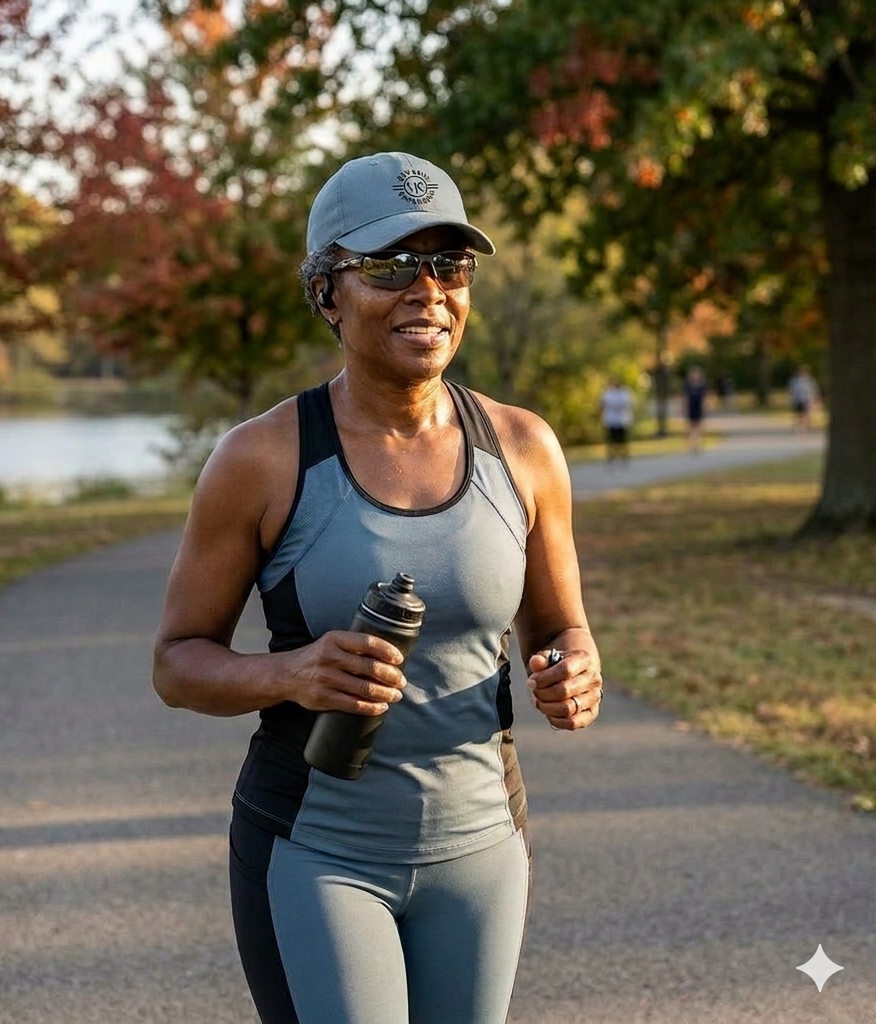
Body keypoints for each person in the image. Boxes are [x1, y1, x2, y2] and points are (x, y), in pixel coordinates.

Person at [152, 151, 603, 1024]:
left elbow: (565, 628)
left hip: (483, 848)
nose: (427, 289)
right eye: (390, 265)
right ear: (327, 292)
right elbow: (176, 663)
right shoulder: (262, 459)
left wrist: (572, 669)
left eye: (449, 263)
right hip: (317, 851)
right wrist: (289, 675)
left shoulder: (525, 448)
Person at [600, 376, 634, 464]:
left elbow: (627, 404)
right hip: (611, 421)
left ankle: (624, 457)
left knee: (623, 441)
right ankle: (611, 457)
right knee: (611, 441)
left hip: (621, 420)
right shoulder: (608, 393)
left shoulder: (624, 393)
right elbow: (602, 405)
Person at [683, 365, 708, 453]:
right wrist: (684, 406)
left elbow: (705, 397)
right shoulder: (688, 386)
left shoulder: (702, 386)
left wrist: (706, 405)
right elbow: (685, 397)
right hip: (691, 407)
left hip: (699, 407)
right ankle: (691, 445)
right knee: (691, 427)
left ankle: (698, 444)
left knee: (699, 427)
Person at [788, 364, 820, 431]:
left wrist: (815, 399)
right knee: (798, 413)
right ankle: (798, 426)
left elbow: (814, 390)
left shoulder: (809, 380)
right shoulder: (795, 381)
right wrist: (792, 398)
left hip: (807, 398)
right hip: (798, 399)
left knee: (807, 413)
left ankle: (808, 427)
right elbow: (792, 390)